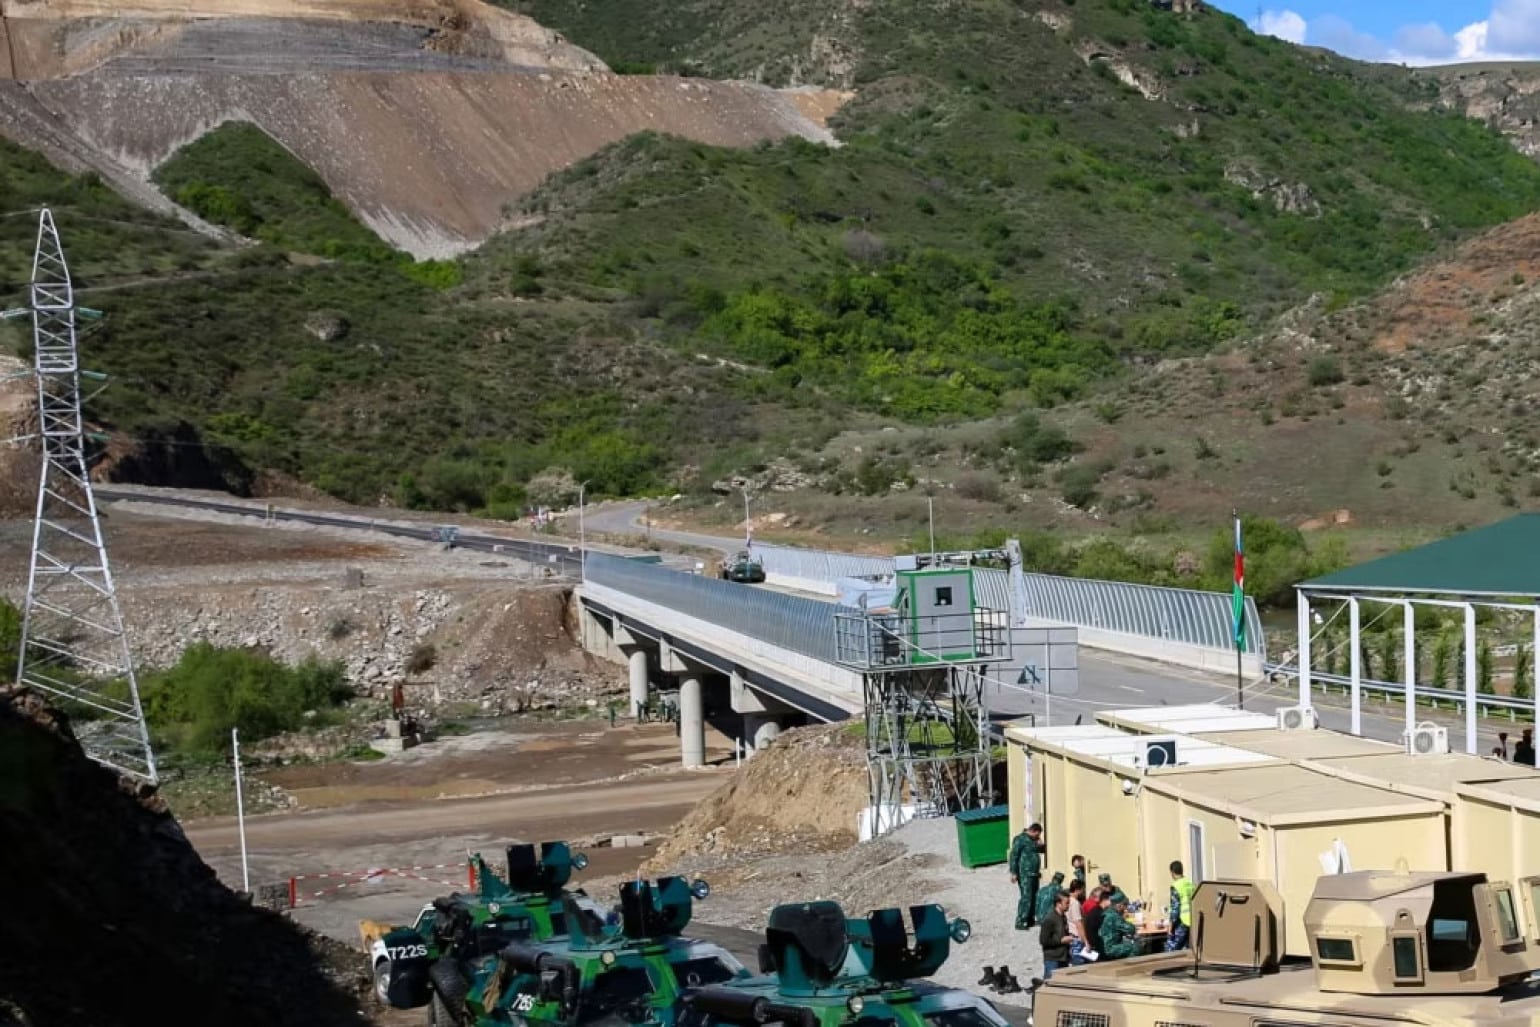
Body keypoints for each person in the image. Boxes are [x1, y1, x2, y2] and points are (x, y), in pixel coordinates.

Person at [1009, 823, 1044, 930]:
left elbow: (1041, 851)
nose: (1038, 836)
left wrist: (1041, 844)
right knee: (1026, 897)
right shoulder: (1020, 839)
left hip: (1034, 873)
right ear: (1033, 830)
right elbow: (1014, 856)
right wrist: (1013, 872)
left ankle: (1030, 919)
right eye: (1037, 834)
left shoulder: (1034, 840)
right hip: (1025, 874)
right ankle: (1020, 921)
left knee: (1034, 896)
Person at [1039, 891, 1073, 979]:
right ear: (1058, 904)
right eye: (1067, 903)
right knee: (1050, 985)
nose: (1069, 905)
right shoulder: (1050, 918)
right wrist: (1061, 940)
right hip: (1053, 959)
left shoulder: (1063, 917)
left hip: (1063, 957)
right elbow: (1043, 940)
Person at [1099, 895, 1140, 961]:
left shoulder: (1108, 913)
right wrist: (1123, 918)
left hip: (1106, 945)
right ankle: (1130, 968)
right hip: (1111, 948)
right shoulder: (1113, 916)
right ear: (1119, 905)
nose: (1125, 908)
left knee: (1129, 942)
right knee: (1135, 947)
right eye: (1125, 905)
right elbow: (1130, 929)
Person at [1166, 860, 1195, 951]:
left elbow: (1175, 908)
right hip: (1192, 920)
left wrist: (1170, 925)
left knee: (1171, 949)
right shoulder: (1191, 884)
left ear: (1172, 872)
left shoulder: (1176, 886)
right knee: (1187, 949)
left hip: (1181, 921)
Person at [1065, 879, 1094, 965]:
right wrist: (1086, 941)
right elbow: (1078, 923)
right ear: (1078, 890)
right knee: (1079, 965)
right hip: (1076, 938)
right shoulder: (1074, 903)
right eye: (1083, 890)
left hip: (1070, 935)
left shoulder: (1067, 901)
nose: (1084, 892)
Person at [1084, 890, 1110, 959]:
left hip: (1093, 946)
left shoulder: (1095, 910)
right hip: (1097, 948)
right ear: (1105, 900)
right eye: (1111, 900)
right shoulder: (1100, 913)